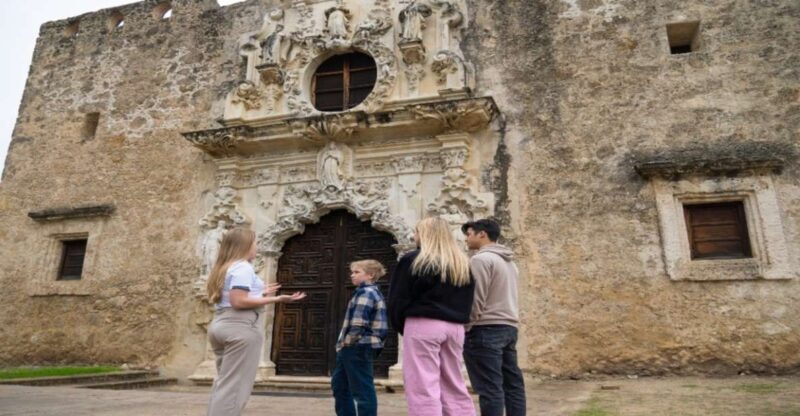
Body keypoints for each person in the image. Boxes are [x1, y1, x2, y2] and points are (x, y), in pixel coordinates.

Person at [205, 228, 306, 416]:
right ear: (245, 245)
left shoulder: (224, 266)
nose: (256, 247)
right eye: (254, 243)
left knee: (225, 384)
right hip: (240, 327)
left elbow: (230, 296)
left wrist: (260, 291)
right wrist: (277, 299)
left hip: (220, 324)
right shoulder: (243, 267)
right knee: (235, 388)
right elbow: (238, 301)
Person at [387, 217, 476, 416]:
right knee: (453, 383)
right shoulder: (461, 262)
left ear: (425, 234)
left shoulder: (413, 259)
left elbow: (398, 298)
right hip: (455, 327)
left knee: (422, 385)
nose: (414, 236)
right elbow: (469, 299)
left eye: (417, 232)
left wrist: (402, 325)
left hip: (423, 324)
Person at [461, 219, 526, 416]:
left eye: (469, 234)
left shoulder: (480, 260)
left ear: (482, 234)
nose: (466, 239)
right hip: (508, 327)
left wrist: (466, 326)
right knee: (513, 385)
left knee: (489, 388)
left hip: (485, 328)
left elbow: (476, 298)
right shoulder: (509, 262)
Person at [331, 260, 389, 416]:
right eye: (352, 272)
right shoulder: (365, 292)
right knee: (340, 387)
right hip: (355, 346)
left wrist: (346, 343)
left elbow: (358, 324)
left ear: (370, 275)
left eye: (357, 272)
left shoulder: (367, 293)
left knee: (362, 390)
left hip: (358, 346)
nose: (352, 275)